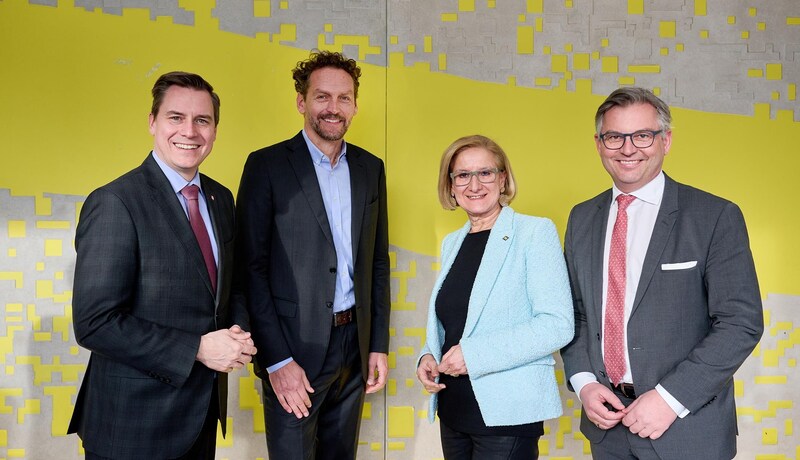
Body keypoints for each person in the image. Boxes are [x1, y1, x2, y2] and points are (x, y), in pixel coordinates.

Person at [559, 87, 764, 459]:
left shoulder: (714, 216)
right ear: (598, 143)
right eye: (614, 137)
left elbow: (740, 323)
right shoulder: (582, 218)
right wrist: (585, 383)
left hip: (687, 430)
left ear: (665, 140)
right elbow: (576, 314)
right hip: (607, 430)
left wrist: (670, 399)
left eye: (642, 135)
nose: (627, 148)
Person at [67, 71, 256, 460]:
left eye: (202, 120)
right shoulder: (116, 202)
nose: (190, 130)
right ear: (153, 122)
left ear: (215, 129)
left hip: (200, 416)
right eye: (176, 117)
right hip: (132, 425)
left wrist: (237, 332)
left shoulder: (221, 199)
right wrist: (199, 349)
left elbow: (226, 286)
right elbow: (95, 323)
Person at [235, 50, 390, 460]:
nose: (333, 108)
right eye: (322, 97)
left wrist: (377, 344)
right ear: (301, 102)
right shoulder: (266, 166)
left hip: (353, 348)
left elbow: (376, 262)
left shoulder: (370, 168)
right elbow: (249, 270)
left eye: (343, 98)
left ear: (355, 104)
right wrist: (276, 360)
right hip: (294, 351)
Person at [416, 135, 574, 460]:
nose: (474, 184)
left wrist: (473, 355)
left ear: (503, 179)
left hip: (508, 415)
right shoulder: (452, 242)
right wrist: (427, 356)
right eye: (462, 175)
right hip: (453, 406)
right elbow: (455, 319)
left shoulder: (534, 233)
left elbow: (556, 326)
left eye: (485, 173)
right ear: (451, 185)